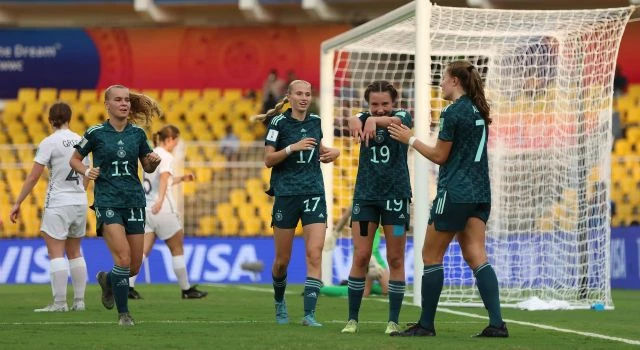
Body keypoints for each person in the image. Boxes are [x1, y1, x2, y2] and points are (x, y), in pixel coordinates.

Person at [387, 60, 508, 337]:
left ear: (455, 81)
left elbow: (440, 156)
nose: (440, 83)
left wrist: (411, 139)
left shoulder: (452, 112)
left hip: (455, 191)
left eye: (442, 78)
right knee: (476, 255)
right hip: (480, 192)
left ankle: (426, 325)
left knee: (430, 255)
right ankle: (497, 324)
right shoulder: (479, 109)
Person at [70, 85, 162, 326]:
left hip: (134, 201)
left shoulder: (138, 135)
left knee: (132, 267)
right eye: (118, 100)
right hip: (107, 201)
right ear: (107, 104)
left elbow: (147, 166)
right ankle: (124, 314)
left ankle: (107, 280)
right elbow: (74, 159)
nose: (124, 104)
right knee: (122, 259)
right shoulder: (96, 132)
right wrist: (88, 171)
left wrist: (153, 162)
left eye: (127, 100)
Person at [252, 79, 340, 327]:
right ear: (288, 96)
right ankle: (280, 304)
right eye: (299, 93)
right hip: (287, 195)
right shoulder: (278, 123)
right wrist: (292, 148)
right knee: (282, 261)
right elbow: (268, 159)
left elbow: (318, 148)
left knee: (314, 254)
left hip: (314, 193)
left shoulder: (315, 122)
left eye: (307, 94)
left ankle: (309, 314)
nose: (304, 97)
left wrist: (332, 152)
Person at [340, 80, 412, 335]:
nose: (379, 109)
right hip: (366, 198)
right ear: (368, 104)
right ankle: (352, 320)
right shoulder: (362, 117)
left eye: (384, 104)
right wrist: (358, 119)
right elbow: (352, 119)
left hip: (395, 197)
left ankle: (392, 320)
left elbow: (398, 123)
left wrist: (374, 121)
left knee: (395, 258)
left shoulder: (403, 116)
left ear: (393, 104)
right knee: (360, 256)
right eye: (374, 105)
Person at [9, 102, 90, 312]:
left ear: (50, 120)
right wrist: (81, 192)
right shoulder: (82, 140)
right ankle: (79, 302)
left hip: (59, 202)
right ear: (69, 118)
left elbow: (34, 176)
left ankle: (60, 303)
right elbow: (87, 172)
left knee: (56, 253)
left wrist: (18, 202)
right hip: (79, 200)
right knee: (75, 252)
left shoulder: (49, 142)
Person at [127, 125, 207, 300]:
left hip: (147, 209)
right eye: (176, 143)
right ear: (170, 140)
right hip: (162, 209)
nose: (175, 146)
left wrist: (182, 178)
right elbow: (164, 177)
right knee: (177, 248)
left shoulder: (150, 154)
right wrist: (161, 200)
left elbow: (163, 180)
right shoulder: (166, 156)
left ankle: (129, 286)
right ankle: (186, 290)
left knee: (143, 251)